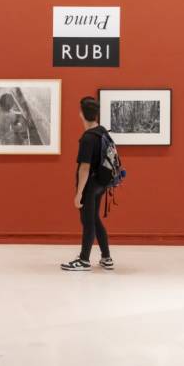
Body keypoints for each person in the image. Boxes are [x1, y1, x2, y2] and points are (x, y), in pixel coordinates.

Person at [61, 97, 114, 271]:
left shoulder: (87, 138)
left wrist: (79, 193)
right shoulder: (102, 131)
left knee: (88, 221)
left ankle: (84, 260)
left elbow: (84, 168)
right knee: (95, 219)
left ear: (82, 114)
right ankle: (106, 258)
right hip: (101, 183)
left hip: (90, 185)